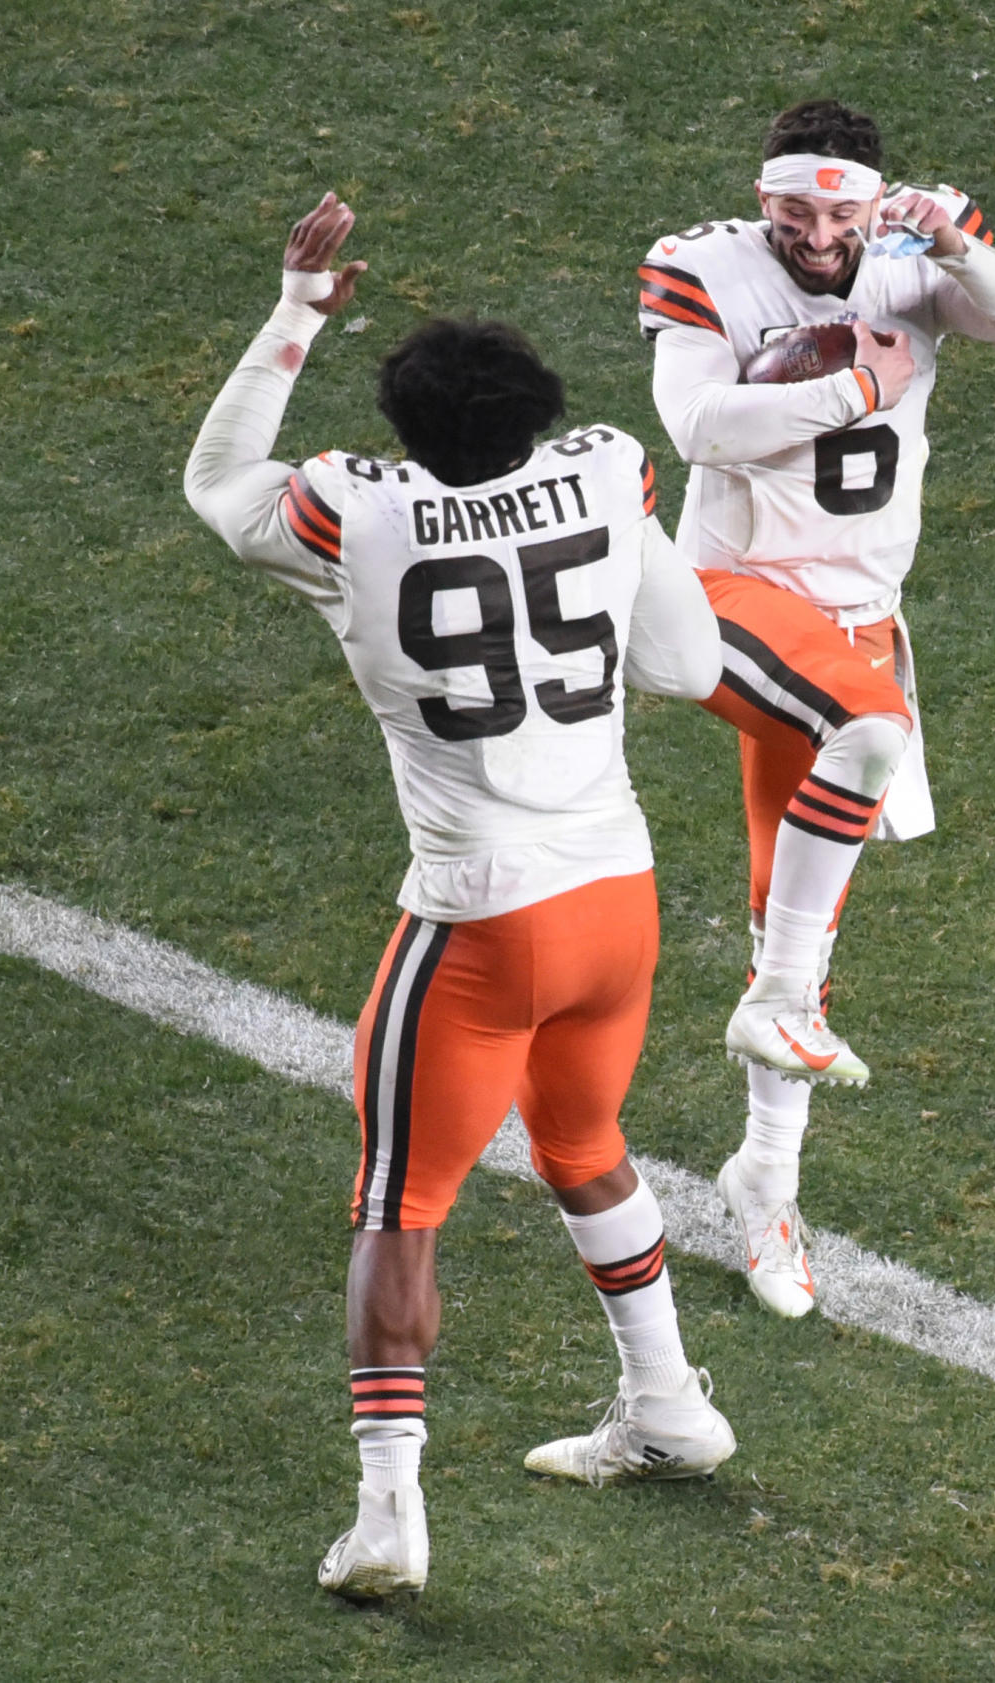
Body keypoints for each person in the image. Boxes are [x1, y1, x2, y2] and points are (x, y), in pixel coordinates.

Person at [185, 193, 735, 1602]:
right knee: (583, 1138)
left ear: (406, 429)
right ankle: (668, 1404)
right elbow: (684, 665)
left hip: (480, 918)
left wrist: (297, 307)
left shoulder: (354, 514)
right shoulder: (609, 476)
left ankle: (388, 1514)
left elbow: (216, 479)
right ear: (544, 412)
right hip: (615, 893)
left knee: (398, 1200)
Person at [637, 98, 995, 1318]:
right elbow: (698, 422)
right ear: (762, 195)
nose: (817, 231)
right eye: (793, 207)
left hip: (858, 614)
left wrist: (961, 247)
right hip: (730, 589)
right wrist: (853, 392)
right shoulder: (700, 262)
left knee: (797, 908)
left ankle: (765, 1182)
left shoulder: (916, 255)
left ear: (873, 200)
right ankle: (771, 1015)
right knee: (866, 737)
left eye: (838, 209)